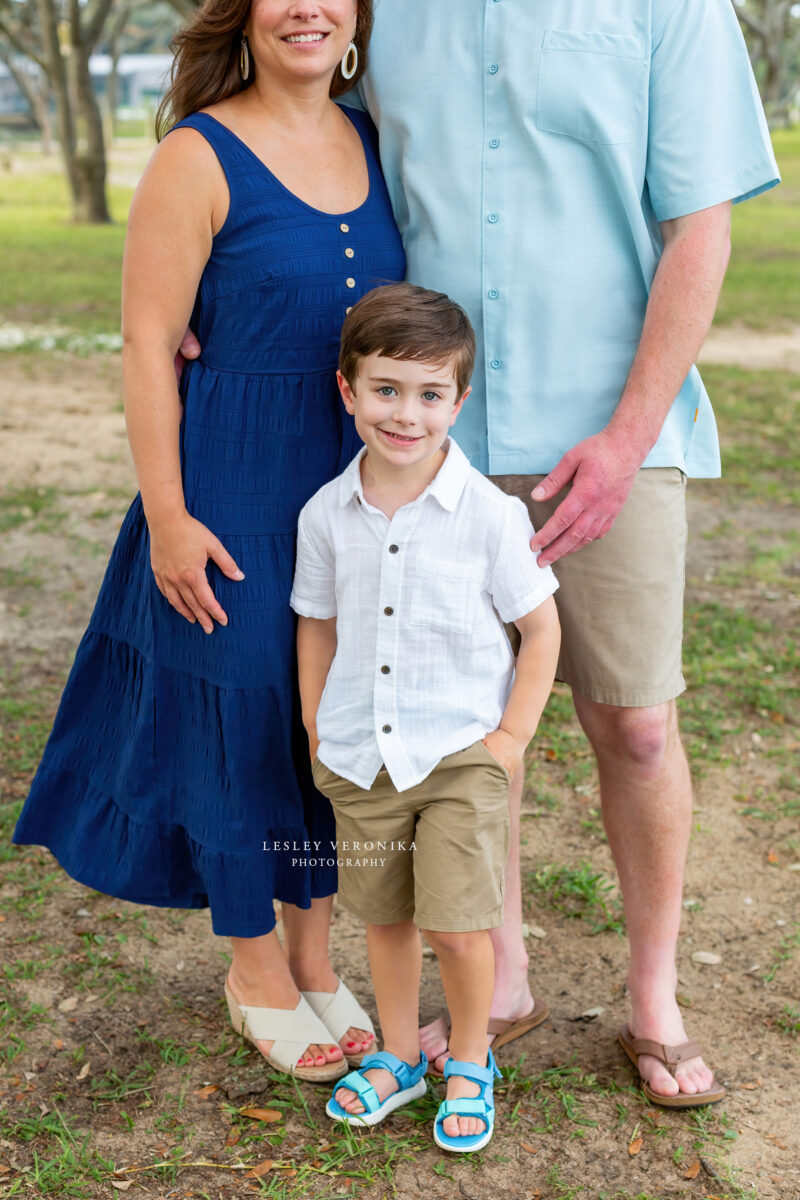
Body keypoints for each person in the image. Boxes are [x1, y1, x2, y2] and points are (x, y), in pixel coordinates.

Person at [175, 0, 779, 1105]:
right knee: (449, 719)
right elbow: (296, 132)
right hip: (421, 427)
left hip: (602, 433)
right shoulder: (383, 8)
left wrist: (627, 436)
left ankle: (652, 999)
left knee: (635, 722)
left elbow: (700, 227)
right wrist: (190, 282)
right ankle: (496, 980)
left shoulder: (672, 9)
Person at [13, 0, 406, 1080]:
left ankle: (315, 960)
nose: (307, 8)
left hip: (346, 486)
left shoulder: (372, 132)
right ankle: (253, 970)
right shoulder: (198, 154)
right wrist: (170, 517)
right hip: (227, 484)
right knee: (239, 712)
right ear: (244, 12)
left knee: (321, 722)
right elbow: (147, 345)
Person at [290, 283, 561, 1151]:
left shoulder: (490, 516)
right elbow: (318, 623)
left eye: (429, 394)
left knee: (456, 920)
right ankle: (401, 1057)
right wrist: (315, 727)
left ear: (459, 401)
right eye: (386, 389)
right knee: (386, 917)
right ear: (348, 390)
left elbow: (541, 628)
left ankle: (472, 1058)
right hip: (360, 755)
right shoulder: (325, 514)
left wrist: (510, 739)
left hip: (458, 756)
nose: (406, 414)